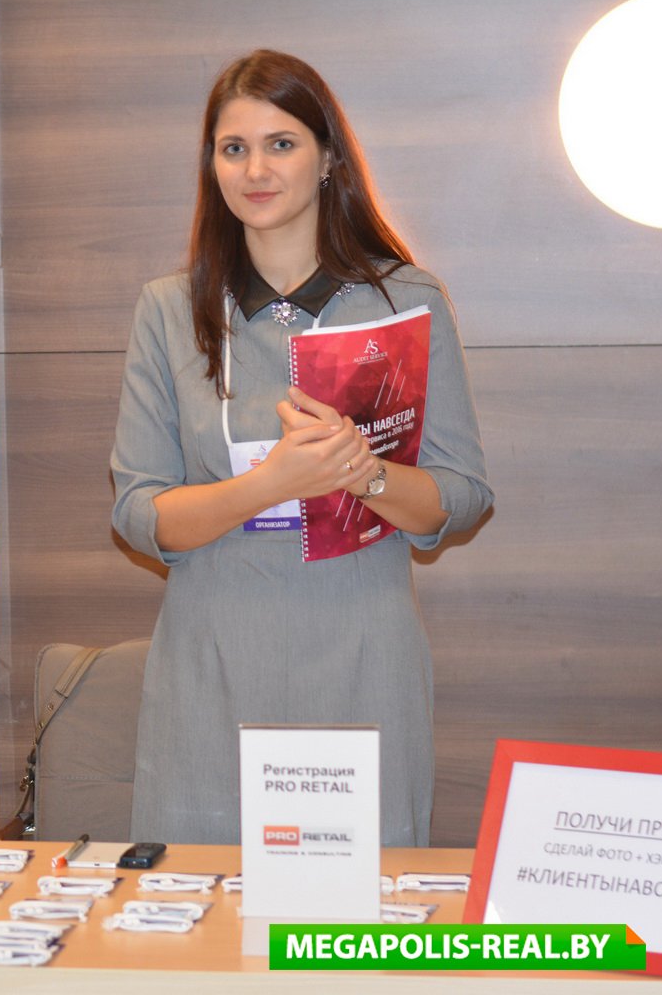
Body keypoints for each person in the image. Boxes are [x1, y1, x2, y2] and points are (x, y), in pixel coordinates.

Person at [111, 50, 492, 846]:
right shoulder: (169, 311)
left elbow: (459, 498)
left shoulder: (406, 301)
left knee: (356, 900)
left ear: (326, 160)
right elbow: (141, 514)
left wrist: (366, 473)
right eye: (234, 148)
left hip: (363, 654)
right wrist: (273, 481)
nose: (255, 169)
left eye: (280, 144)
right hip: (214, 659)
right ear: (212, 165)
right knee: (206, 903)